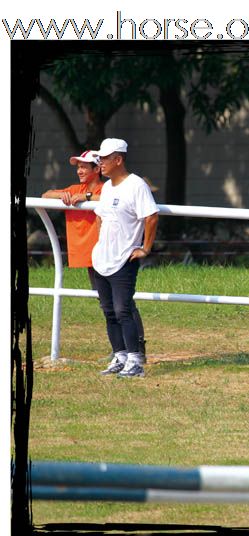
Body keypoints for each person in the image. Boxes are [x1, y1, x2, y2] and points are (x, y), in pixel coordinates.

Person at [42, 151, 147, 359]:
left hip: (113, 254)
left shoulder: (108, 187)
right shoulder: (76, 189)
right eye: (78, 167)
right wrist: (65, 196)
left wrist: (87, 197)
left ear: (97, 169)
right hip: (93, 256)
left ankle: (136, 347)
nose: (79, 170)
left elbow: (113, 198)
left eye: (84, 166)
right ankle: (121, 350)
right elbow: (46, 195)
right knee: (107, 304)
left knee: (123, 304)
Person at [92, 138, 159, 378]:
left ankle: (135, 361)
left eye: (104, 158)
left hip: (124, 259)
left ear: (118, 159)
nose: (100, 163)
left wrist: (145, 248)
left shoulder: (136, 185)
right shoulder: (107, 187)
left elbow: (151, 217)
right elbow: (100, 215)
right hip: (102, 259)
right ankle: (119, 356)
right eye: (99, 158)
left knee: (123, 310)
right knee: (109, 311)